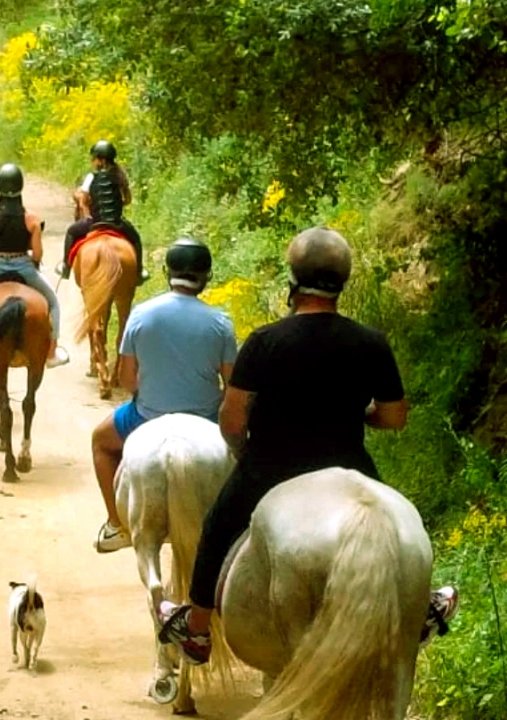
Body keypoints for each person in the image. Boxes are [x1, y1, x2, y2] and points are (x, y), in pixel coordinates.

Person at [158, 226, 412, 665]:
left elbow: (231, 418)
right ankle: (422, 605)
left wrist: (244, 452)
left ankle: (196, 629)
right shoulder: (371, 342)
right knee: (397, 522)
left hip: (271, 466)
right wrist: (362, 415)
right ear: (342, 282)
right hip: (348, 463)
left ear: (293, 281)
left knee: (217, 525)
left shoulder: (265, 340)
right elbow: (394, 417)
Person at [91, 238, 237, 552]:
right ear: (206, 275)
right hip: (206, 418)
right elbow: (231, 385)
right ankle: (237, 529)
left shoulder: (141, 314)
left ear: (167, 272)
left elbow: (126, 379)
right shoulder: (221, 322)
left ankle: (116, 525)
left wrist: (151, 390)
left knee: (100, 441)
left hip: (147, 415)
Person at [0, 163, 70, 369]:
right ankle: (52, 352)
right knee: (54, 302)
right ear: (21, 185)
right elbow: (37, 254)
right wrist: (27, 257)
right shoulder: (32, 218)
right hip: (24, 267)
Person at [56, 140, 149, 285]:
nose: (92, 162)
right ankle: (139, 271)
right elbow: (128, 199)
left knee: (71, 232)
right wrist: (118, 204)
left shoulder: (91, 177)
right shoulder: (120, 176)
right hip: (117, 223)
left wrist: (89, 212)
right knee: (136, 238)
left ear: (101, 160)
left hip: (95, 221)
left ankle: (65, 267)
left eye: (94, 158)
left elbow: (83, 199)